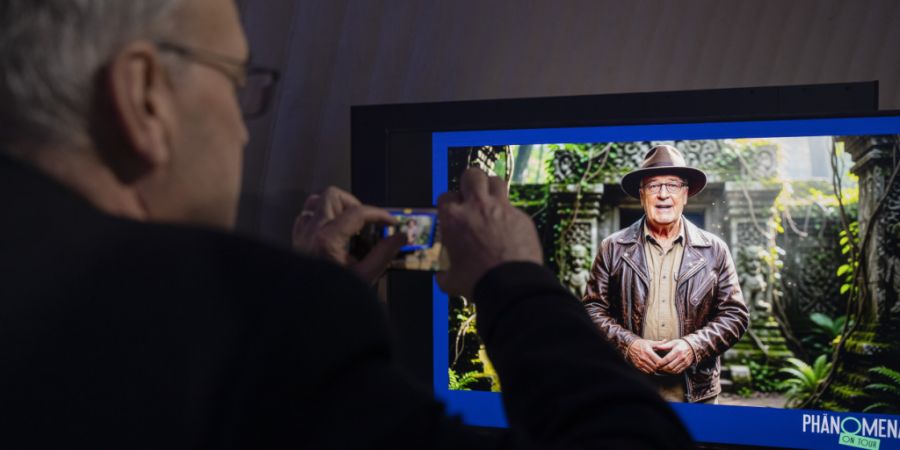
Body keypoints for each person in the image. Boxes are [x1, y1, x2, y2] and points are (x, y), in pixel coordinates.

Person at [0, 0, 693, 448]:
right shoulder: (228, 323)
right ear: (144, 95)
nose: (245, 133)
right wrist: (513, 278)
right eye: (236, 82)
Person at [583, 145, 750, 404]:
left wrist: (694, 347)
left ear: (685, 194)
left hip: (696, 394)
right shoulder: (613, 248)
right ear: (642, 195)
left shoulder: (714, 250)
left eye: (672, 185)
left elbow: (735, 315)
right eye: (653, 186)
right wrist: (629, 346)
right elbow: (592, 311)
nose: (663, 194)